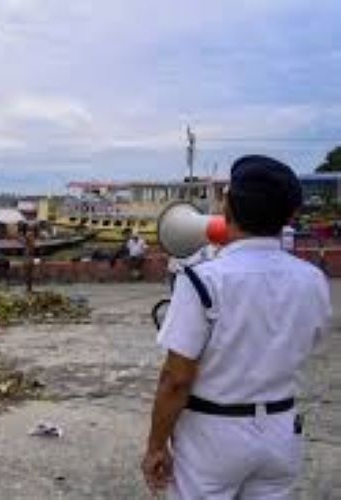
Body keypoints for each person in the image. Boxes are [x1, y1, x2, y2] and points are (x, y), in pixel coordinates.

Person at [142, 155, 332, 499]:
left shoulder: (203, 280)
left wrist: (156, 445)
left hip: (211, 437)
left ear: (227, 207)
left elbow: (176, 378)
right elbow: (309, 341)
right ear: (290, 216)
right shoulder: (314, 280)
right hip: (281, 431)